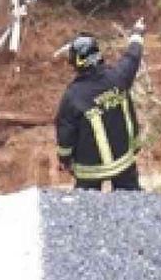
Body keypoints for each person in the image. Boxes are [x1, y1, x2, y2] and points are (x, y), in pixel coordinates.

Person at [54, 19, 145, 191]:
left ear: (76, 63)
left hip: (89, 171)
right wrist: (137, 33)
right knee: (132, 201)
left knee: (86, 205)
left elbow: (65, 134)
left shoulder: (73, 96)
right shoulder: (119, 77)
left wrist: (64, 160)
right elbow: (133, 56)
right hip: (124, 163)